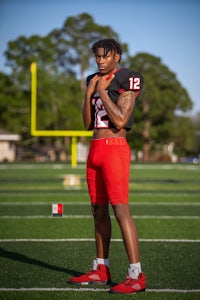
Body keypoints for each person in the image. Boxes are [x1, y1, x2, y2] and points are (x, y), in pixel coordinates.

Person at [70, 38, 146, 294]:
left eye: (106, 56)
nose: (101, 61)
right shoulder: (92, 78)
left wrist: (102, 91)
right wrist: (89, 94)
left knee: (121, 210)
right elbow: (86, 124)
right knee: (97, 211)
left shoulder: (128, 78)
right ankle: (101, 269)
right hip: (95, 150)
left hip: (115, 149)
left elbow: (122, 119)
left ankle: (136, 274)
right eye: (98, 57)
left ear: (117, 56)